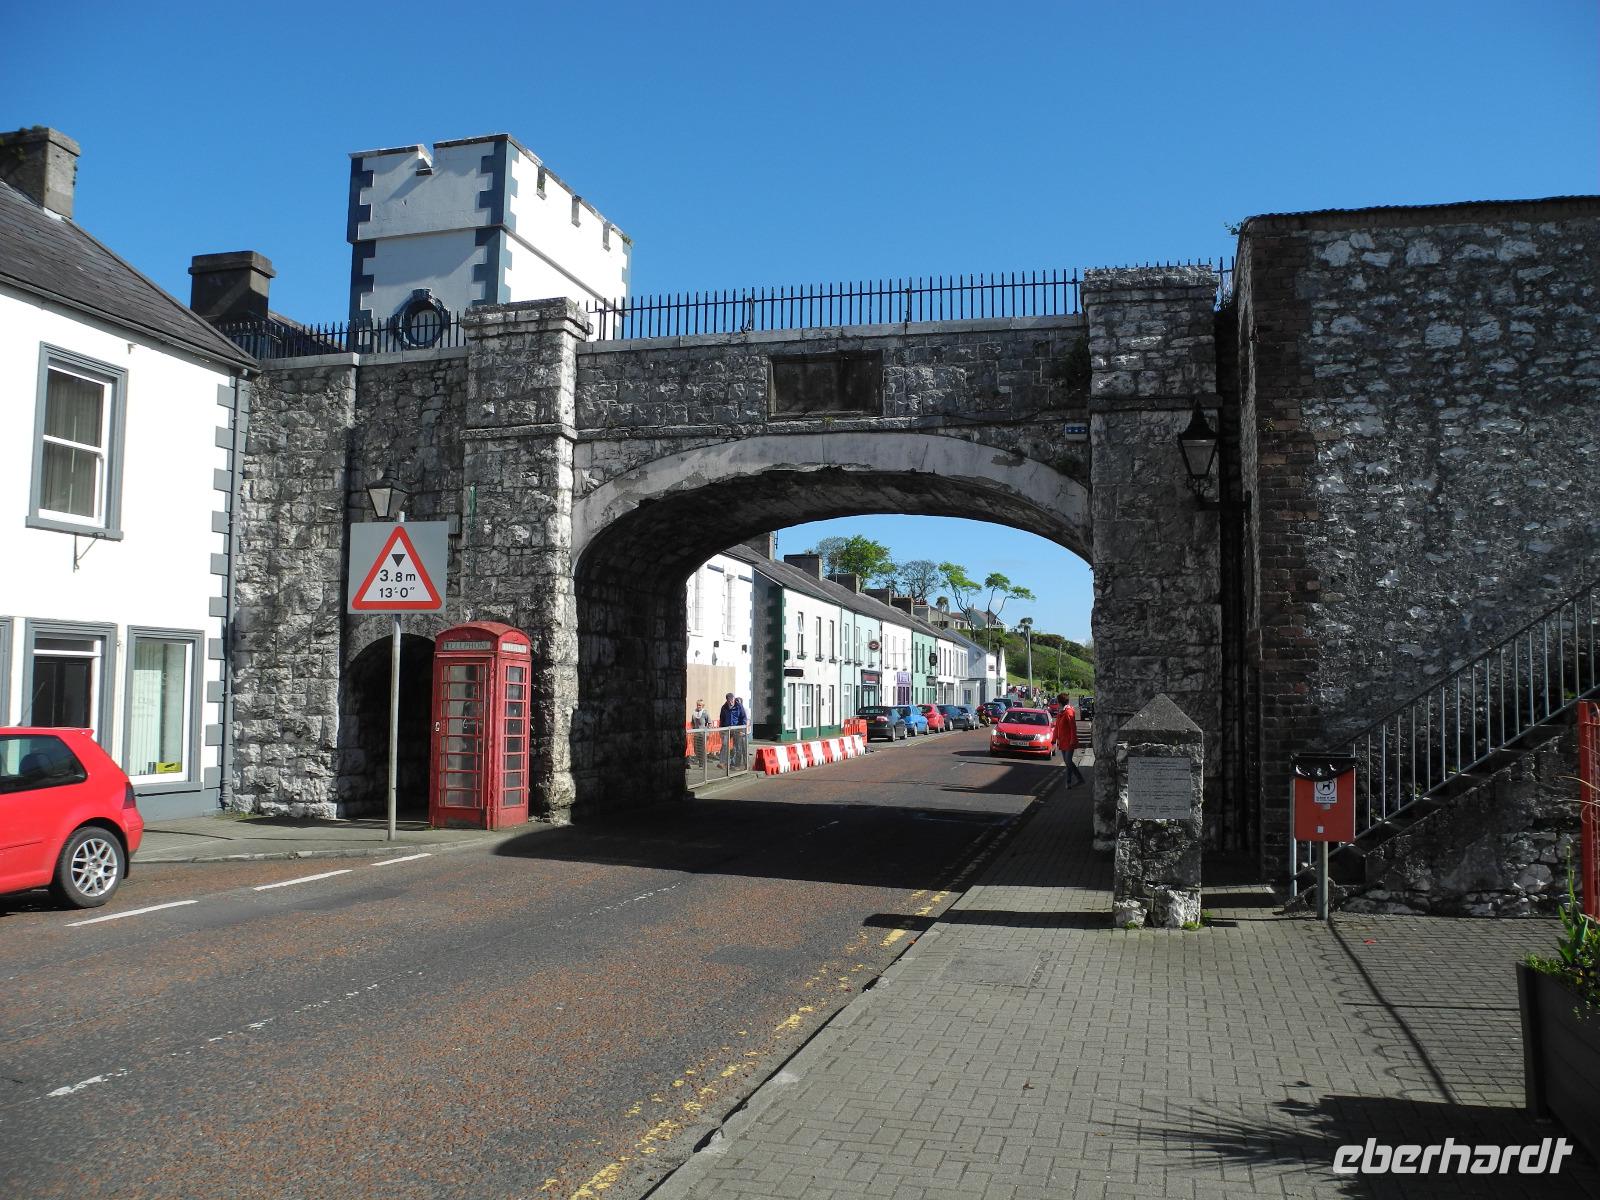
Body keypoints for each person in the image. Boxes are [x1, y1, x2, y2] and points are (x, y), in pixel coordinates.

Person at [1054, 692, 1084, 788]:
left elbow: (1073, 727)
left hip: (1069, 741)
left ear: (1060, 702)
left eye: (1057, 702)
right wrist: (1054, 738)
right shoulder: (1060, 712)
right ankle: (1069, 783)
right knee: (1068, 763)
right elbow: (1057, 727)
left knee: (1068, 761)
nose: (1057, 703)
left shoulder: (1068, 712)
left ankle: (1079, 779)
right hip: (1062, 741)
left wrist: (1073, 740)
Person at [689, 699, 712, 769]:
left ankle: (701, 764)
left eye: (700, 705)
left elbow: (710, 723)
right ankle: (700, 761)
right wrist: (693, 730)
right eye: (697, 705)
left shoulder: (705, 713)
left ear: (702, 706)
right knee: (696, 749)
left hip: (703, 734)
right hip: (696, 734)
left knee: (701, 749)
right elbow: (692, 723)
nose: (698, 706)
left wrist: (706, 730)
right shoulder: (694, 713)